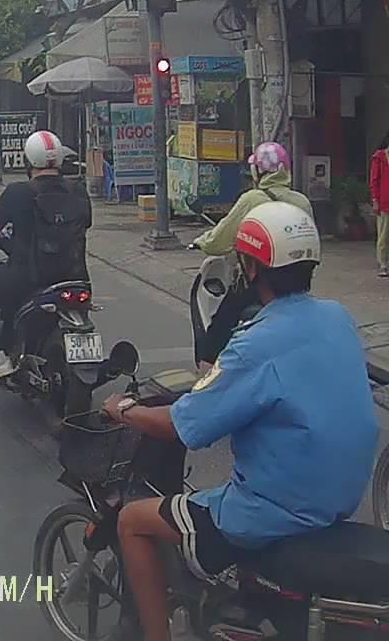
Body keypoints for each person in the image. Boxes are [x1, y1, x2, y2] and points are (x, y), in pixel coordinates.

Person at [103, 201, 378, 641]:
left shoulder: (253, 345)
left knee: (132, 521)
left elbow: (184, 425)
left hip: (271, 513)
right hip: (336, 500)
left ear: (251, 268)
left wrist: (124, 410)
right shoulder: (337, 318)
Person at [0, 130, 92, 382]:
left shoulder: (17, 192)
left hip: (29, 277)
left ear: (28, 161)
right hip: (75, 276)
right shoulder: (78, 191)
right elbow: (83, 225)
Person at [191, 142, 312, 366]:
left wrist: (202, 242)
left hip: (259, 284)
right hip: (298, 283)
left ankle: (208, 372)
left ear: (257, 171)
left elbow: (220, 240)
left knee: (220, 326)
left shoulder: (252, 199)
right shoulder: (301, 202)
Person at [370, 133, 389, 277]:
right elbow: (374, 180)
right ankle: (383, 264)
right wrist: (375, 200)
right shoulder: (380, 157)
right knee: (384, 235)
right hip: (384, 203)